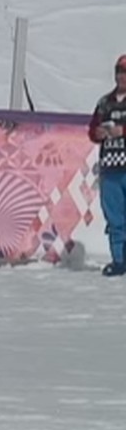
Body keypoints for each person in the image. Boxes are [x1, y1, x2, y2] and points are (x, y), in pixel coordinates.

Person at [89, 54, 126, 277]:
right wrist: (99, 133)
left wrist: (122, 131)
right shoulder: (104, 102)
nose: (122, 77)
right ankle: (119, 260)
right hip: (111, 167)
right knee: (115, 218)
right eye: (120, 72)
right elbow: (92, 130)